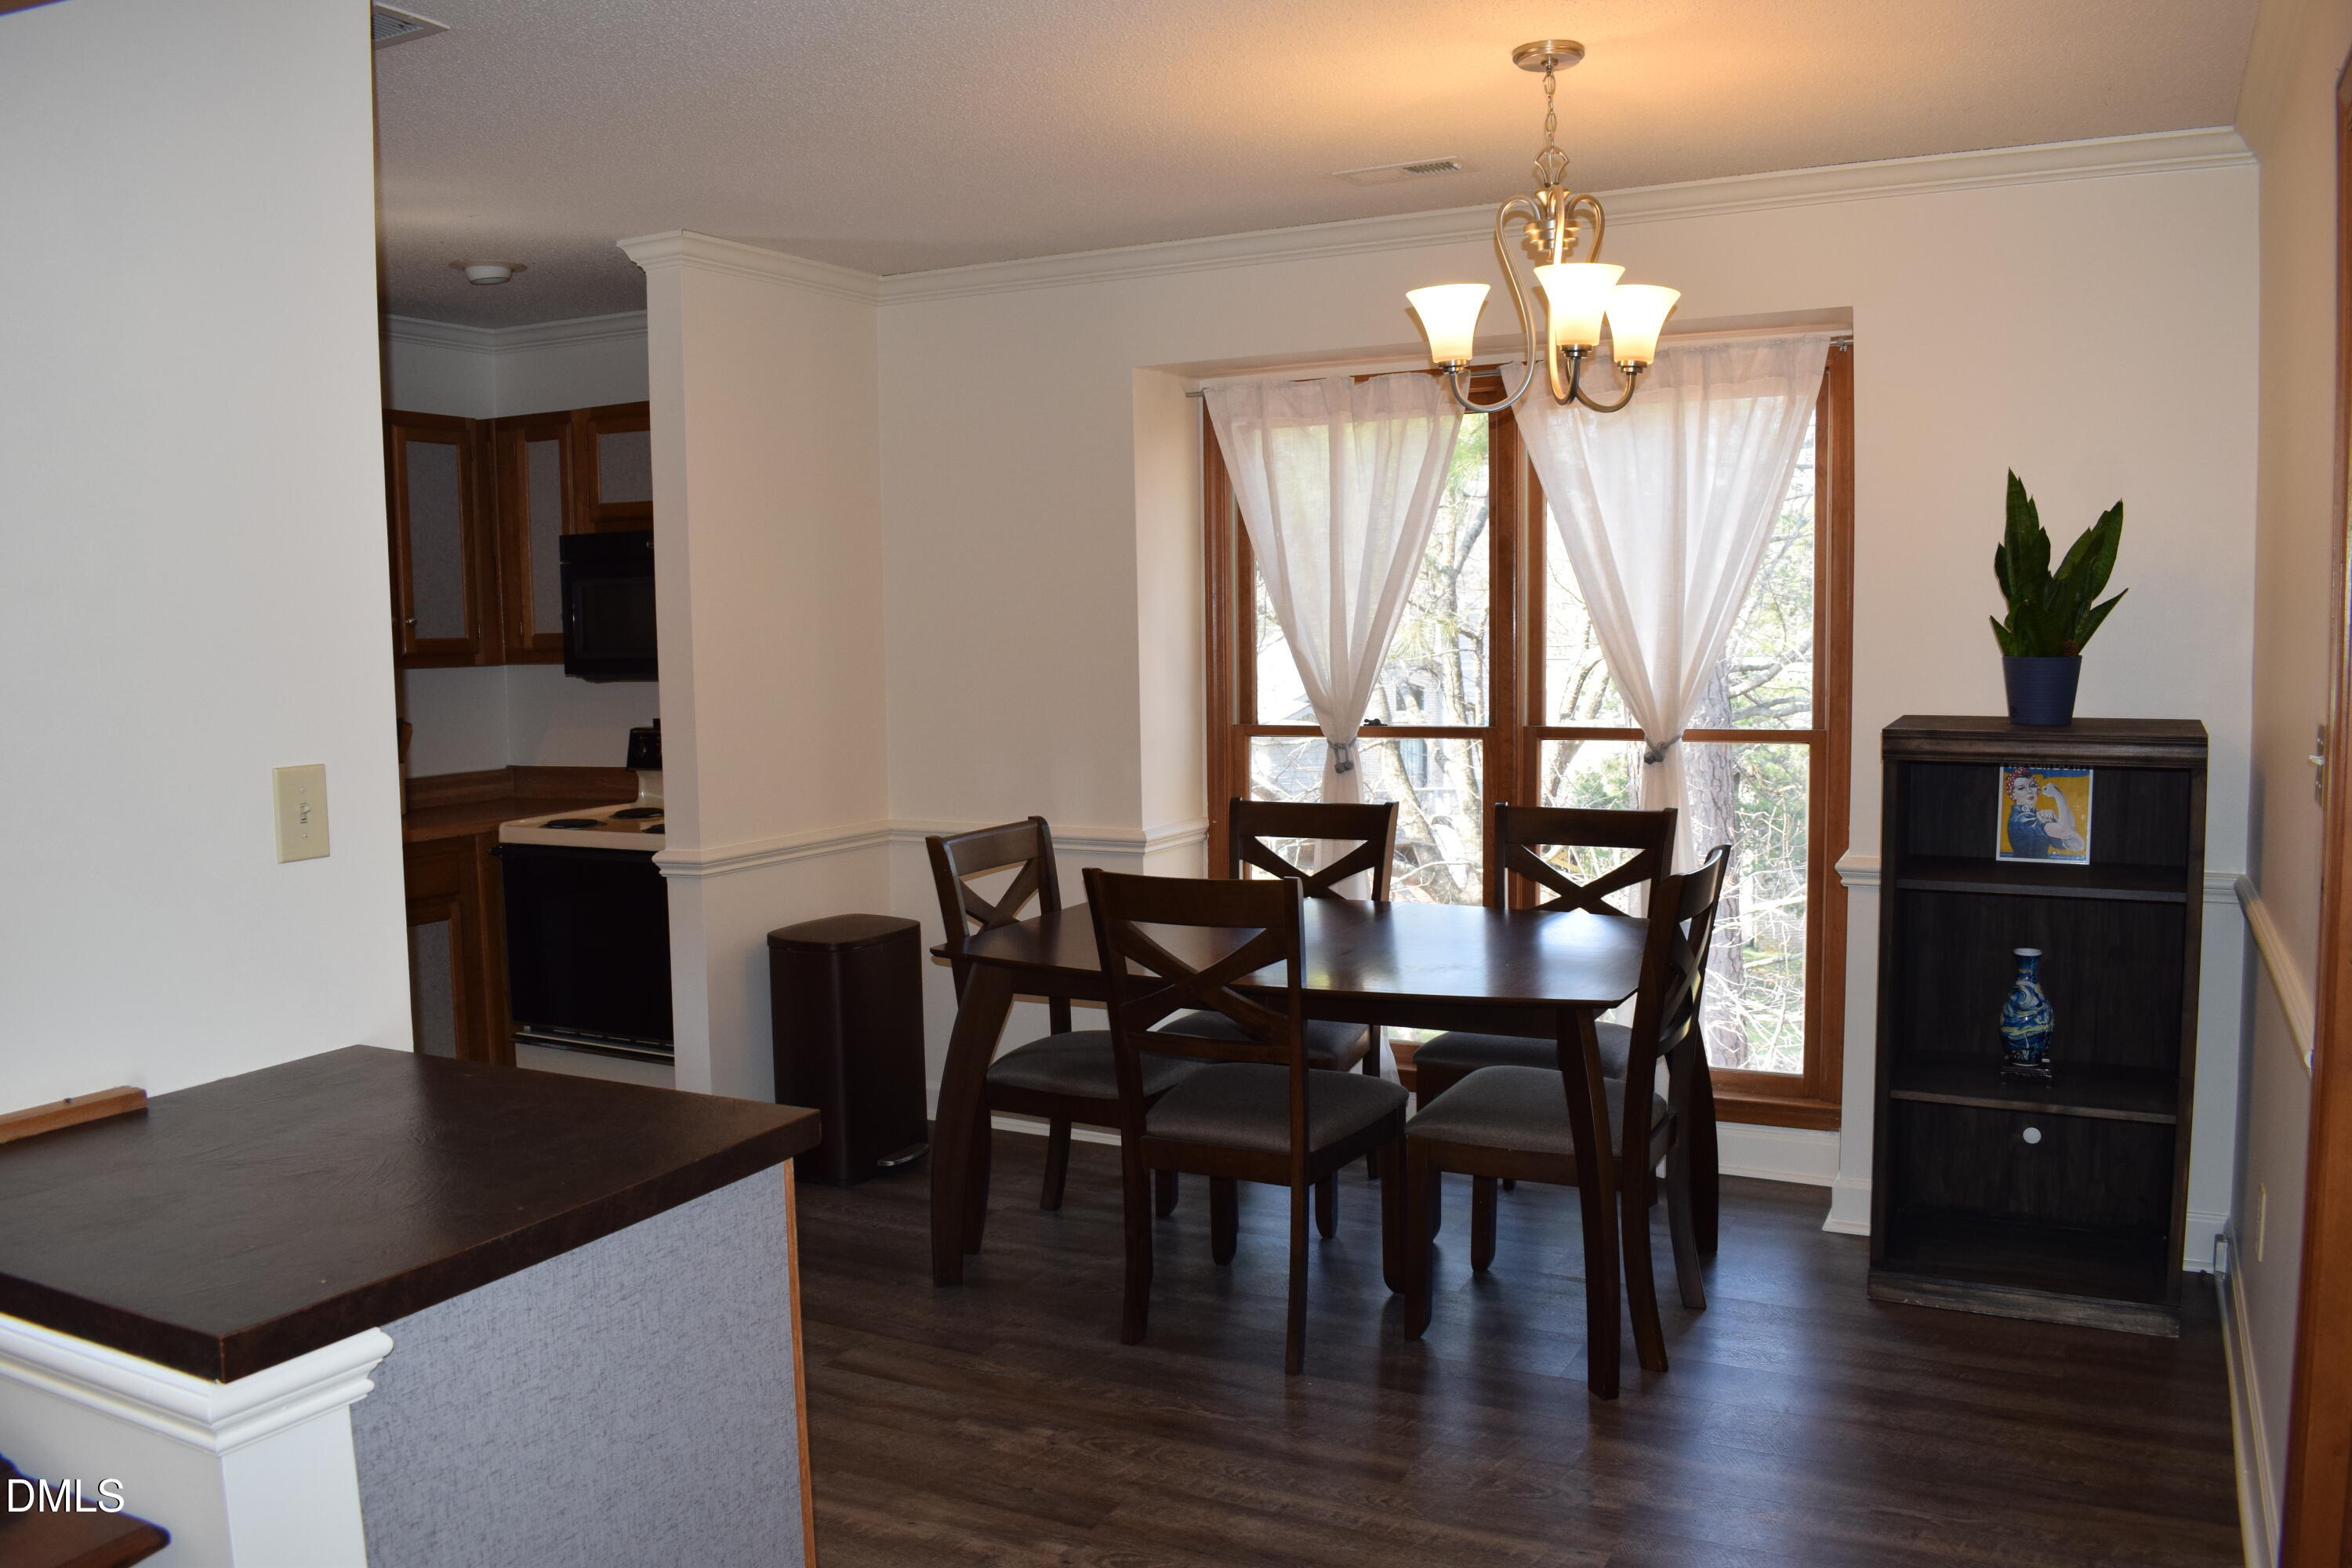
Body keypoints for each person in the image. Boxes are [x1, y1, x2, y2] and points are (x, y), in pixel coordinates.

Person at [2005, 768, 2085, 858]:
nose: (2029, 791)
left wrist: (2056, 820)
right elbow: (2065, 832)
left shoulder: (2038, 815)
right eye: (2021, 788)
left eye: (2032, 786)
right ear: (2013, 794)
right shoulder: (2021, 819)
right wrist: (2058, 797)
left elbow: (2077, 845)